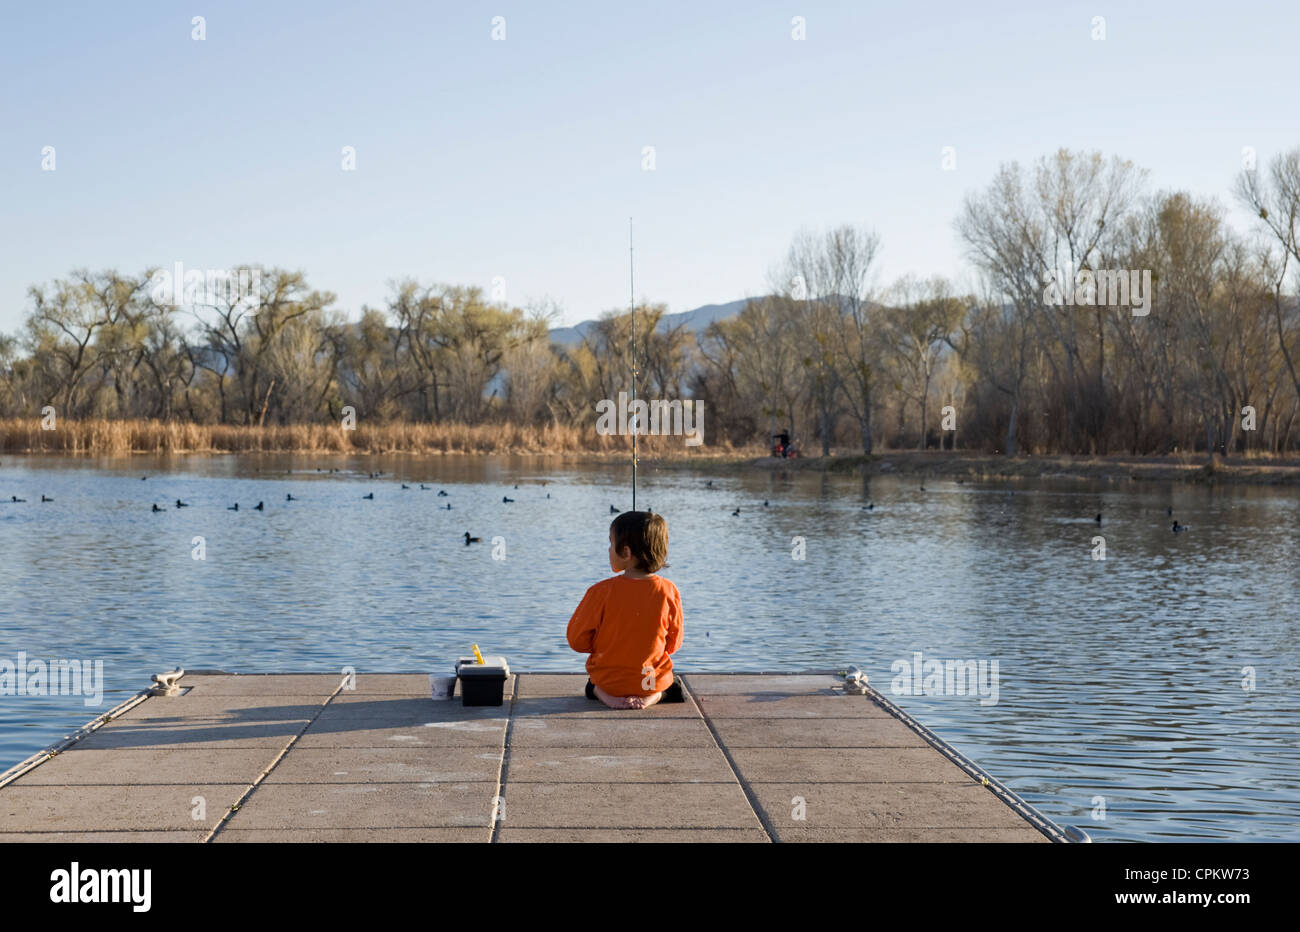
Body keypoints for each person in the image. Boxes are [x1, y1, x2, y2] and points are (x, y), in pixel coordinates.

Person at [566, 511, 685, 709]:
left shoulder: (600, 591)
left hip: (610, 683)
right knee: (674, 686)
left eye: (611, 544)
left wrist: (602, 645)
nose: (609, 549)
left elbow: (576, 640)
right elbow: (673, 643)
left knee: (591, 685)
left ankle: (603, 694)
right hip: (650, 682)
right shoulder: (669, 591)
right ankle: (654, 696)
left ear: (626, 553)